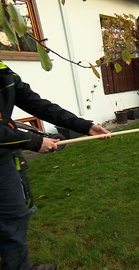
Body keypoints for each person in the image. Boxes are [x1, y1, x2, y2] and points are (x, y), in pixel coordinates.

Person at [0, 61, 111, 270]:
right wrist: (34, 142)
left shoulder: (4, 72)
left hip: (3, 159)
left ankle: (19, 266)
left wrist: (84, 126)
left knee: (14, 216)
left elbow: (38, 105)